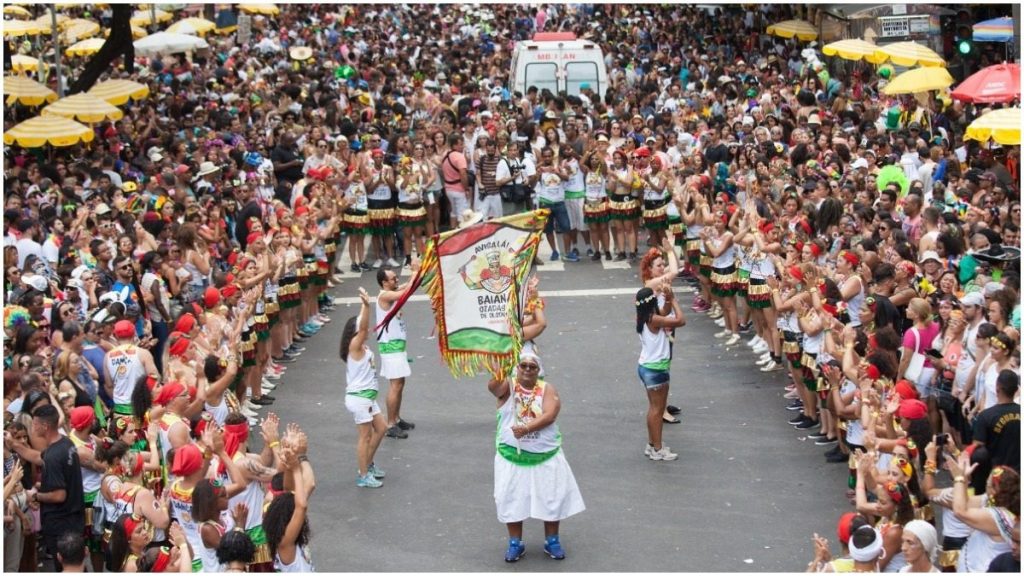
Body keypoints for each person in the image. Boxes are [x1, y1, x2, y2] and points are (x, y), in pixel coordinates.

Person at [486, 351, 585, 562]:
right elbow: (493, 387)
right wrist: (500, 365)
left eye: (532, 366)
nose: (528, 369)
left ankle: (552, 540)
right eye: (523, 365)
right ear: (517, 368)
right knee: (511, 499)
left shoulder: (547, 389)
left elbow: (550, 414)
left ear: (538, 371)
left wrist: (527, 427)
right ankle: (515, 543)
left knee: (551, 498)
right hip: (511, 457)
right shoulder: (508, 387)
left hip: (545, 456)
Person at [23, 404, 84, 571]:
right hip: (73, 520)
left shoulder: (54, 456)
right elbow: (37, 457)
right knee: (77, 566)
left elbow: (59, 495)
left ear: (45, 426)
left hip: (60, 525)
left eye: (34, 424)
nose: (32, 427)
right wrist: (14, 445)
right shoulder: (65, 444)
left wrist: (36, 496)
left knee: (66, 568)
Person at [634, 285, 687, 461]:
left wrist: (668, 300)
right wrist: (674, 299)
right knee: (657, 410)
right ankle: (657, 448)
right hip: (656, 369)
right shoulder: (654, 319)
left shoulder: (644, 317)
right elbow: (680, 320)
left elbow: (664, 311)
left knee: (653, 409)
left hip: (646, 366)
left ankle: (652, 444)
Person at [341, 288, 387, 487]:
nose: (367, 330)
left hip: (367, 397)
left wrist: (363, 304)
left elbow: (362, 325)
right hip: (360, 398)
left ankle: (368, 464)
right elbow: (363, 327)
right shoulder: (355, 346)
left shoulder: (361, 347)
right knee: (365, 436)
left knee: (382, 428)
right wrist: (367, 306)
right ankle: (363, 474)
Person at [376, 266, 419, 439]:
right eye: (393, 279)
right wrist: (415, 272)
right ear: (384, 282)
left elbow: (409, 286)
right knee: (395, 385)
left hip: (397, 347)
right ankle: (391, 424)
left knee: (400, 383)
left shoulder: (391, 291)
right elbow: (404, 293)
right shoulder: (385, 295)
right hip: (390, 348)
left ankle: (397, 418)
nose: (396, 281)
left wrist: (419, 273)